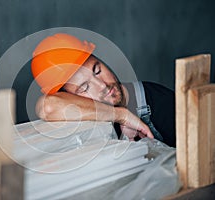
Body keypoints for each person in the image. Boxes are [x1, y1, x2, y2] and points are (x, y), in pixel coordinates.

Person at [31, 33, 176, 147]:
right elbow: (48, 107)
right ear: (66, 96)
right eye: (85, 87)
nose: (102, 85)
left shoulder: (160, 101)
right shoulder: (75, 117)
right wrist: (122, 115)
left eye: (98, 70)